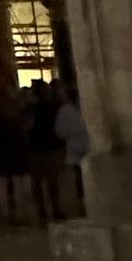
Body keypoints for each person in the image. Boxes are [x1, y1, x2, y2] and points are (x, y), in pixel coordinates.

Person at [0, 74, 26, 223]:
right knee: (17, 181)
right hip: (14, 147)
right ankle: (20, 213)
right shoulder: (14, 107)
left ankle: (6, 213)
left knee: (2, 180)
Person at [27, 79, 66, 226]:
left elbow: (27, 125)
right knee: (51, 180)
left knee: (38, 181)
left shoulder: (31, 107)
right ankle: (55, 208)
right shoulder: (52, 106)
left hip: (36, 146)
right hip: (49, 145)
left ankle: (41, 210)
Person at [54, 79, 90, 211]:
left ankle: (83, 199)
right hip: (85, 143)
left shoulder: (64, 110)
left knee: (79, 175)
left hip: (74, 145)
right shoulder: (84, 106)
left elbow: (59, 130)